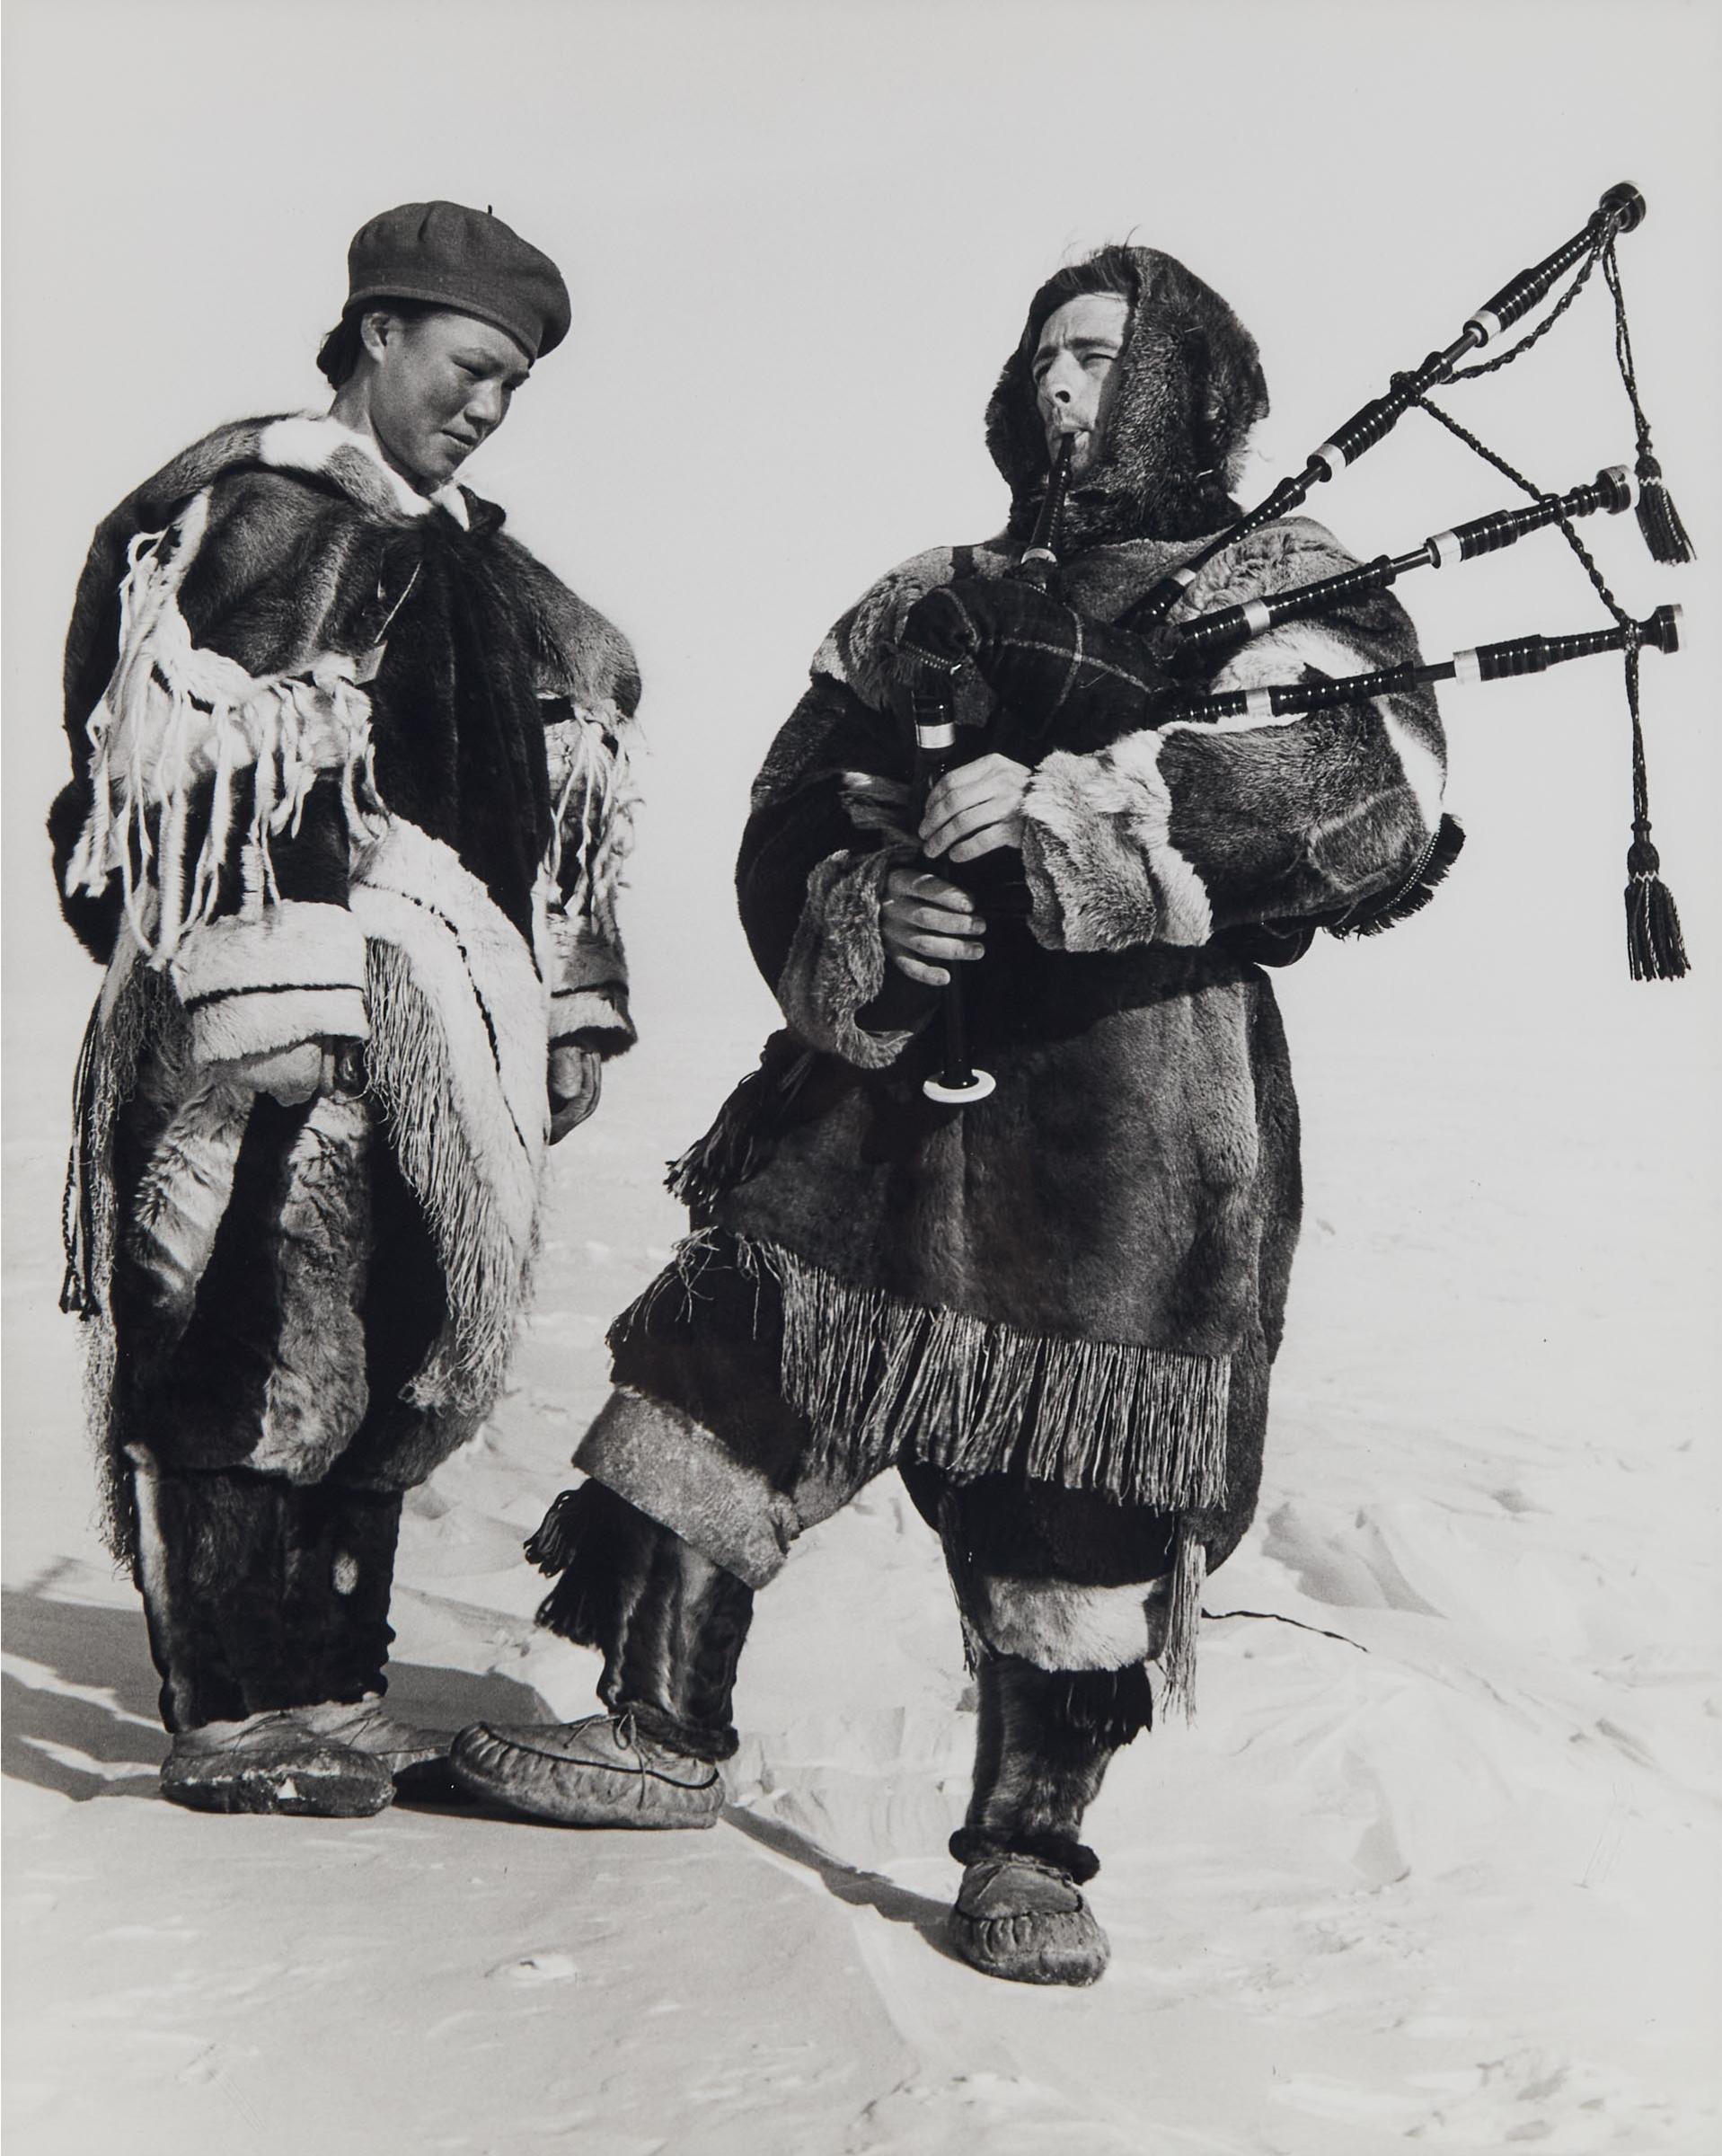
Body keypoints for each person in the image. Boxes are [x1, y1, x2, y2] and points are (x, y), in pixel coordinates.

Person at [451, 245, 1453, 1982]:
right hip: (876, 1099)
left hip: (1132, 1115)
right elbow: (784, 812)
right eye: (1045, 353)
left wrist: (1077, 819)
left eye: (1101, 356)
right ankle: (656, 1728)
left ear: (1188, 382)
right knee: (727, 1373)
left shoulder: (1295, 582)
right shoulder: (931, 592)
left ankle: (1026, 1854)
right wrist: (867, 903)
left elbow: (1372, 796)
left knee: (1074, 1472)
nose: (1063, 385)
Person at [51, 200, 640, 1818]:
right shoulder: (253, 520)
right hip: (283, 1021)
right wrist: (275, 1004)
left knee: (397, 1354)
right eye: (467, 365)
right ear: (377, 331)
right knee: (246, 1340)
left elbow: (565, 797)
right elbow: (177, 792)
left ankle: (329, 1682)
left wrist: (572, 1010)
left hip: (448, 1031)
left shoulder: (493, 572)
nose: (486, 405)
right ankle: (229, 1712)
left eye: (512, 383)